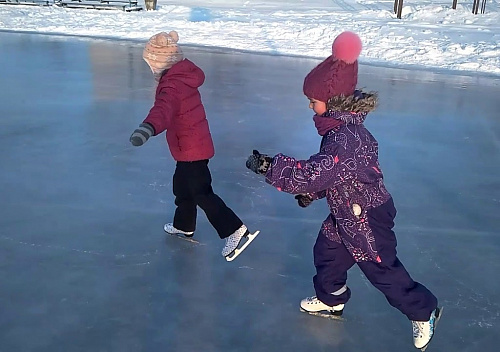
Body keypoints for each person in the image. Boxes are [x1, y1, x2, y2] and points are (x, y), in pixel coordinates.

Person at [245, 31, 440, 350]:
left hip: (366, 218)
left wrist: (272, 166)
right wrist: (317, 193)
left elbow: (315, 172)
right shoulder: (341, 132)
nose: (309, 104)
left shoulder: (346, 139)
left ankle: (423, 310)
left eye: (313, 99)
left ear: (332, 101)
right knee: (327, 254)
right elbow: (334, 174)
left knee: (382, 270)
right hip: (346, 210)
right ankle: (331, 299)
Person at [130, 31, 258, 261]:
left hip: (190, 148)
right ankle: (184, 225)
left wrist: (148, 127)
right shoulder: (181, 76)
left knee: (201, 192)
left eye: (150, 63)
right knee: (182, 187)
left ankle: (235, 230)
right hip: (191, 144)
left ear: (159, 62)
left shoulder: (171, 86)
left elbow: (163, 111)